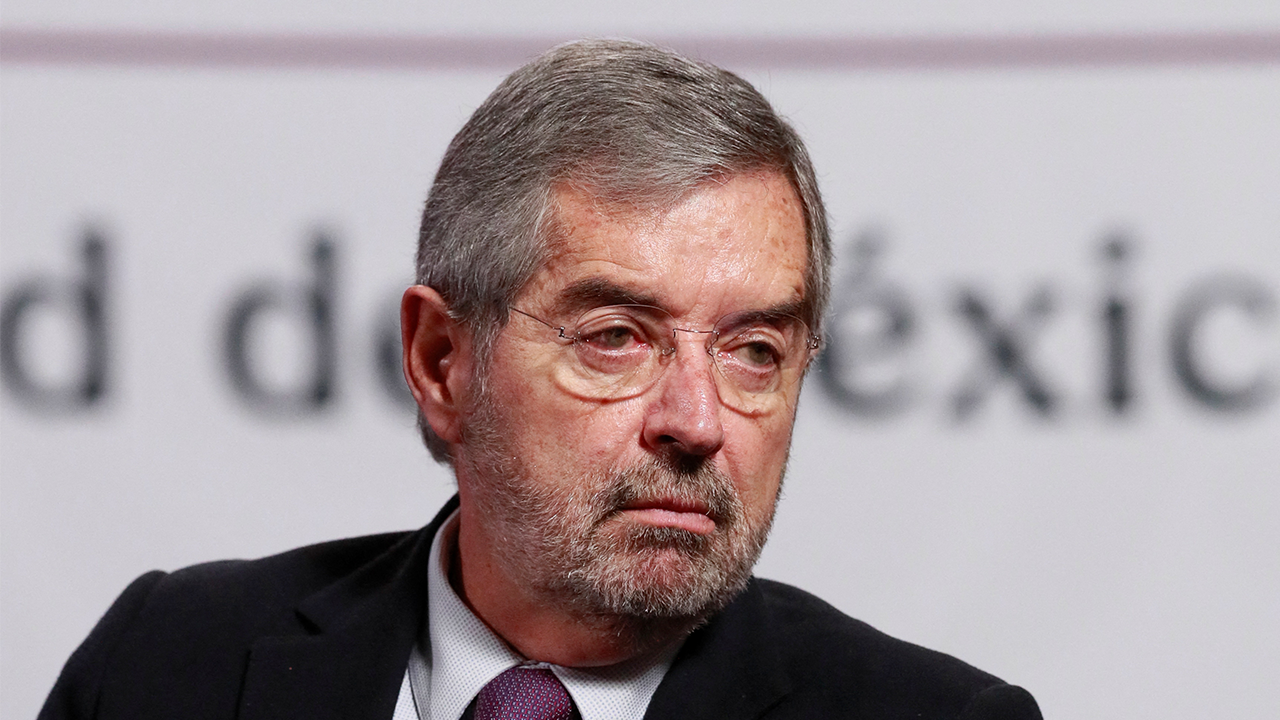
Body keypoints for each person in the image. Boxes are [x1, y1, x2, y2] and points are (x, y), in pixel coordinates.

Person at [40, 39, 1042, 720]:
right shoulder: (165, 665)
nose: (696, 421)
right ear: (441, 362)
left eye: (753, 351)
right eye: (616, 337)